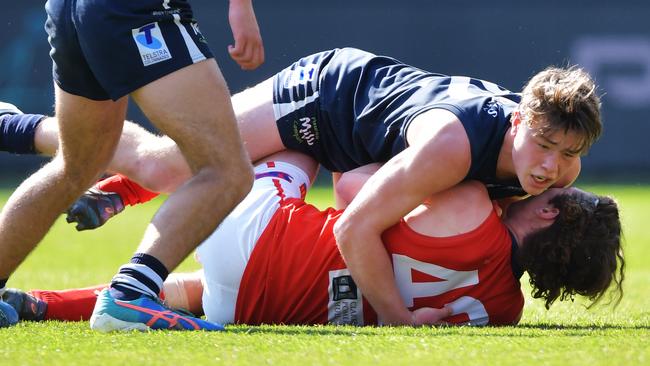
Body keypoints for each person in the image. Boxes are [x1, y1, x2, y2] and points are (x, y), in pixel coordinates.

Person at [2, 46, 603, 325]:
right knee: (166, 167)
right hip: (326, 99)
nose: (552, 169)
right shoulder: (455, 149)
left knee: (193, 185)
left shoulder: (526, 176)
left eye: (570, 157)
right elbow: (353, 212)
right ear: (520, 121)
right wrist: (397, 319)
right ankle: (25, 129)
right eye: (545, 148)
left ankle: (110, 204)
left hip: (364, 135)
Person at [2, 150, 624, 327]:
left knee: (305, 135)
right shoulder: (507, 312)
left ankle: (129, 184)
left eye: (559, 190)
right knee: (182, 293)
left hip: (253, 234)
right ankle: (31, 307)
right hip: (254, 306)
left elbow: (352, 188)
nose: (545, 180)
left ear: (549, 216)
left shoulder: (469, 203)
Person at [0, 0, 264, 331]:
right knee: (227, 171)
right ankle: (130, 292)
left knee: (78, 166)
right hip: (138, 10)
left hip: (68, 9)